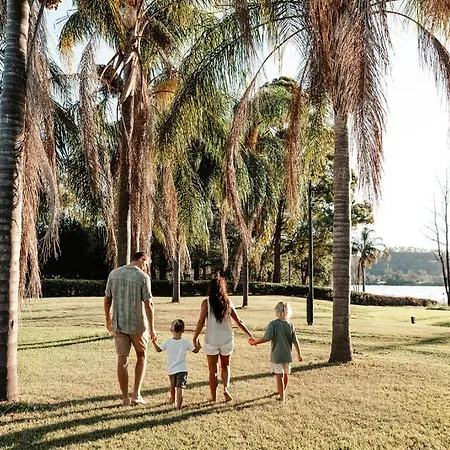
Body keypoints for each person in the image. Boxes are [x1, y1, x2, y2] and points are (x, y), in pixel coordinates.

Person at [104, 251, 156, 406]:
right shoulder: (143, 277)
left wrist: (108, 319)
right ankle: (136, 394)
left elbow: (107, 299)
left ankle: (125, 398)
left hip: (119, 324)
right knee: (141, 355)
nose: (146, 266)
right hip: (138, 325)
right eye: (146, 263)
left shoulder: (114, 274)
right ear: (142, 259)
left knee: (122, 360)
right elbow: (149, 304)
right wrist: (152, 328)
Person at [192, 274, 254, 402]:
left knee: (212, 370)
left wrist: (195, 337)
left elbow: (201, 321)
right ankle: (226, 388)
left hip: (211, 341)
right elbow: (239, 321)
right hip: (227, 340)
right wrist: (250, 335)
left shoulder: (206, 303)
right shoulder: (228, 303)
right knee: (226, 366)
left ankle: (213, 397)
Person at [249, 301, 302, 401]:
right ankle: (283, 391)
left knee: (279, 376)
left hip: (277, 356)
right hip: (287, 356)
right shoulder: (290, 325)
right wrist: (299, 354)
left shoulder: (273, 324)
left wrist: (255, 342)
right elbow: (296, 341)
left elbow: (266, 338)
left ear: (277, 311)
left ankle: (282, 397)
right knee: (285, 374)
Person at [152, 318, 201, 409]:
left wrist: (154, 342)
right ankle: (179, 406)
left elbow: (158, 349)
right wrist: (198, 346)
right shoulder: (185, 342)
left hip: (171, 369)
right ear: (183, 330)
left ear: (171, 330)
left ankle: (173, 400)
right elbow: (195, 351)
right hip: (182, 369)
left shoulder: (168, 342)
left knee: (172, 386)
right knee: (180, 388)